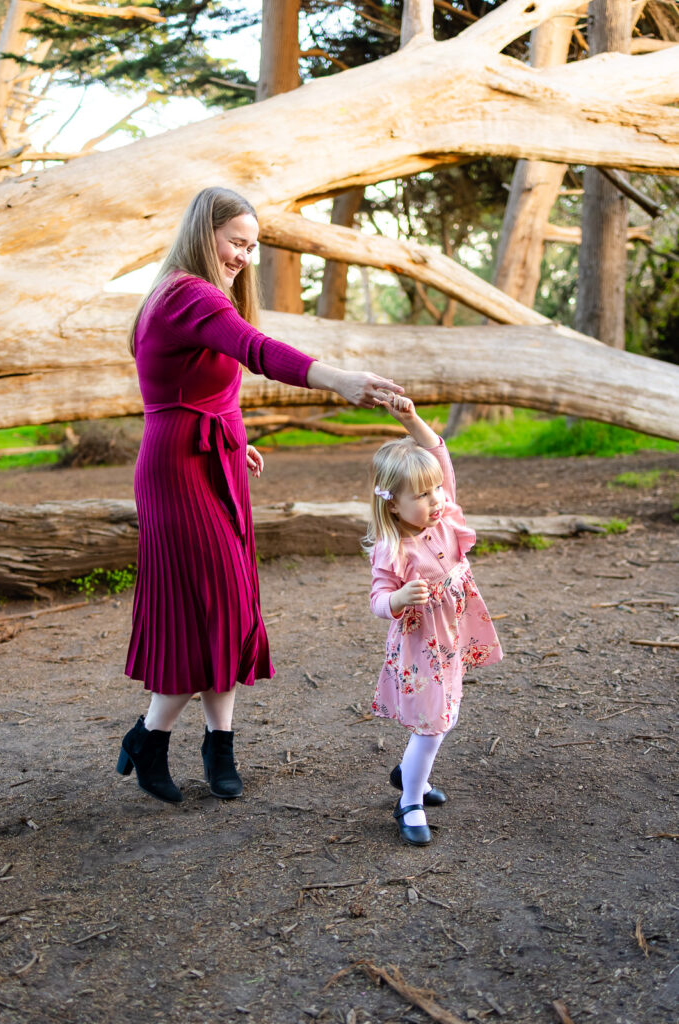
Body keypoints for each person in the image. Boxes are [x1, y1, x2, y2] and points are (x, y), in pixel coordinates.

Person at [117, 185, 403, 805]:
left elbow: (200, 386)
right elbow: (258, 352)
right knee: (210, 607)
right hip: (179, 467)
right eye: (236, 242)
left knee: (232, 606)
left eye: (253, 245)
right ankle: (150, 735)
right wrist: (339, 380)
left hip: (210, 456)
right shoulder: (186, 293)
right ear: (204, 234)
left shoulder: (196, 294)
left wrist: (229, 439)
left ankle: (219, 745)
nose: (245, 255)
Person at [366, 394, 503, 845]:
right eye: (422, 495)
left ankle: (412, 776)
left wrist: (411, 420)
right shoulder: (394, 548)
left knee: (444, 714)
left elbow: (440, 458)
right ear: (393, 505)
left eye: (437, 489)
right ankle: (409, 801)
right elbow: (378, 599)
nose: (437, 499)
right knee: (434, 723)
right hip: (422, 643)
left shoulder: (446, 518)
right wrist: (400, 597)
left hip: (451, 636)